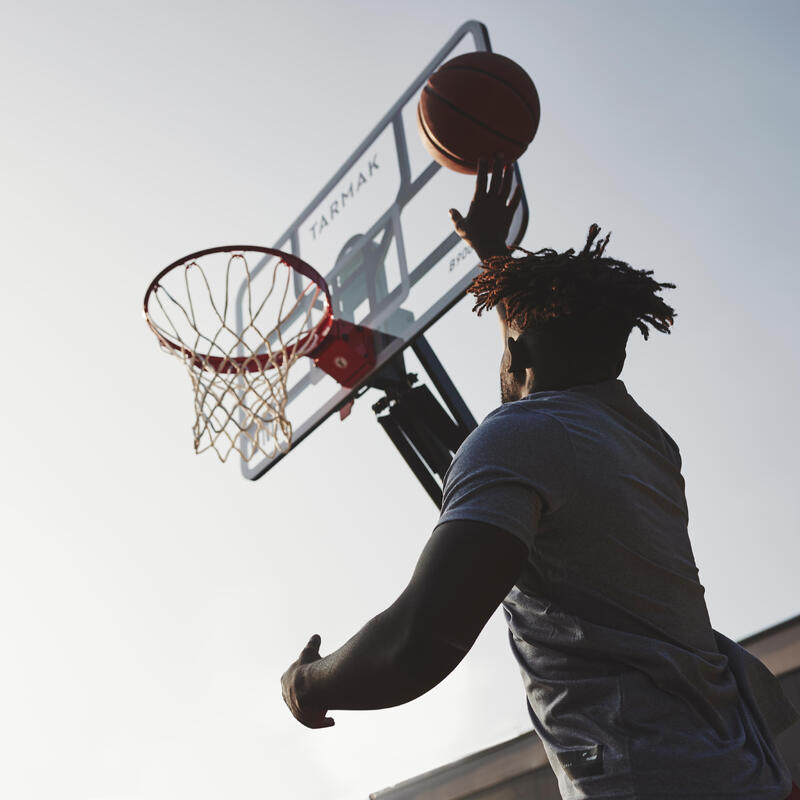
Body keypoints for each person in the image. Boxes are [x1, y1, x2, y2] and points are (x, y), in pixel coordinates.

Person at [281, 156, 799, 799]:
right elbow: (536, 351)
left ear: (519, 351)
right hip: (741, 768)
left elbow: (423, 636)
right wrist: (497, 260)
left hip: (655, 779)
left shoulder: (520, 438)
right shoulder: (642, 440)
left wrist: (310, 684)